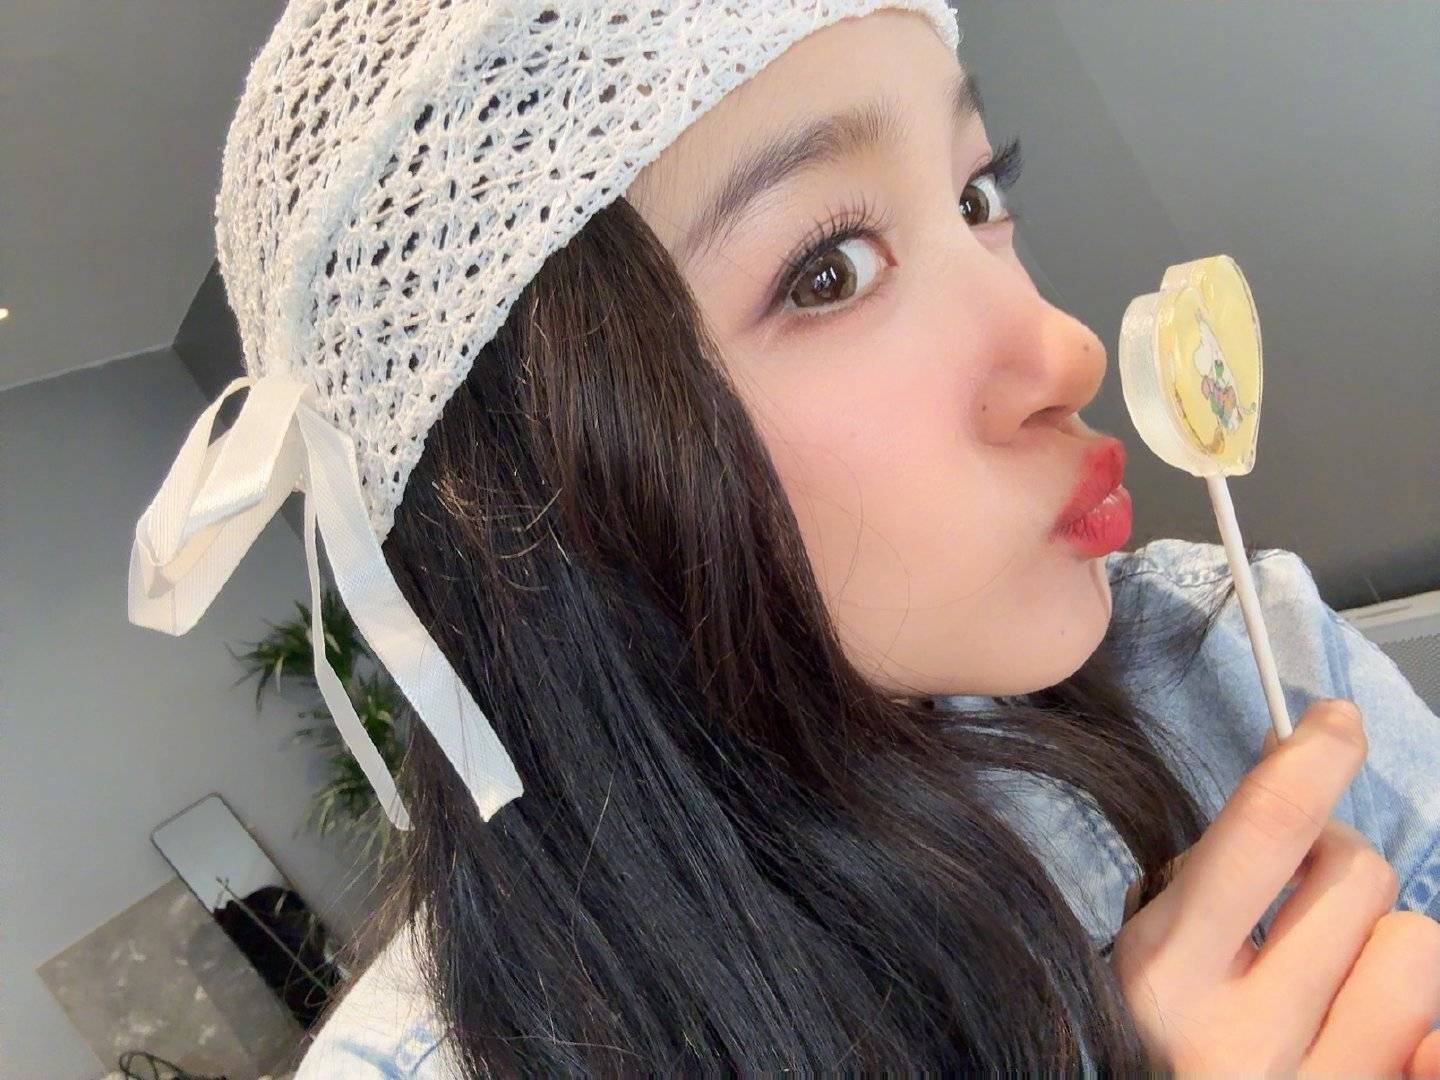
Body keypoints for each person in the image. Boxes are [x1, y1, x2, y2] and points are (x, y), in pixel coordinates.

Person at [127, 1, 1440, 1074]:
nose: (1065, 350)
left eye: (978, 195)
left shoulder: (1232, 651)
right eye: (830, 272)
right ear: (556, 513)